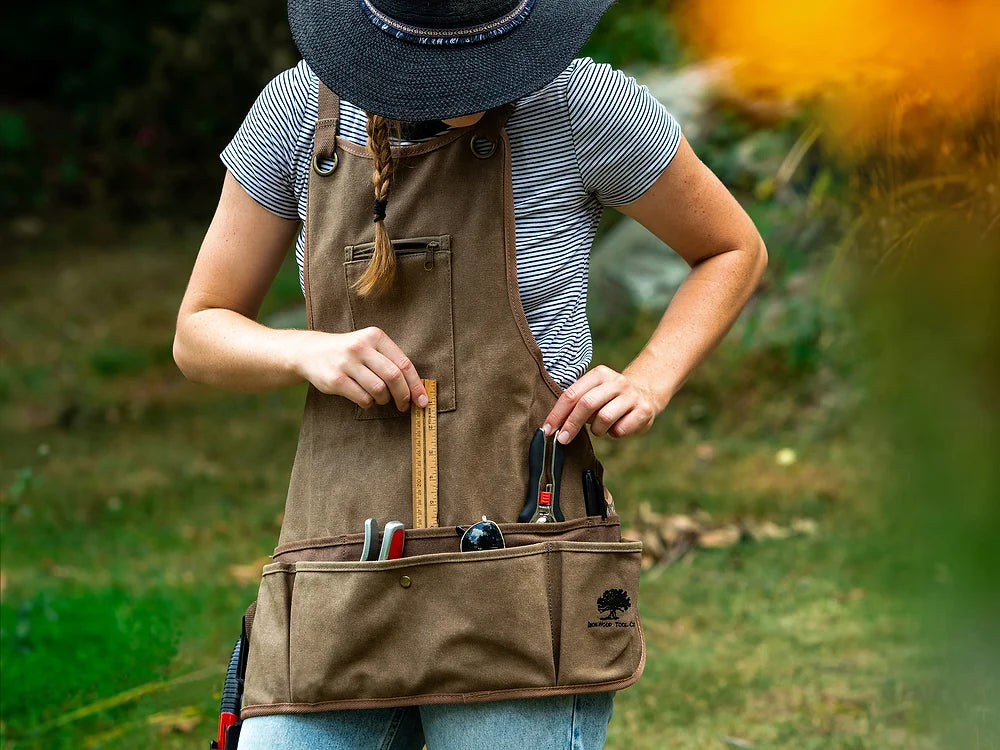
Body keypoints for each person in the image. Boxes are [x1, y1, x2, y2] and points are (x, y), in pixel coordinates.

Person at [173, 0, 767, 747]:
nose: (465, 88)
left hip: (519, 571)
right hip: (338, 573)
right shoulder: (297, 116)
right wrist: (305, 351)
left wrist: (652, 375)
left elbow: (731, 249)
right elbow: (199, 331)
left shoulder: (582, 104)